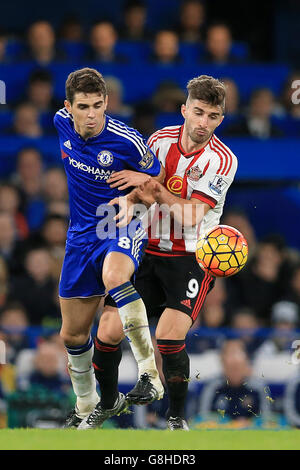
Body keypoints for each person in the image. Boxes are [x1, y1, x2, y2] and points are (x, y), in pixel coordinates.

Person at [101, 74, 238, 430]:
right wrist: (130, 200)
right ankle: (104, 405)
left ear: (220, 119)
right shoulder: (159, 141)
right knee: (108, 329)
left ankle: (176, 418)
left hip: (191, 257)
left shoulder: (222, 161)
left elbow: (192, 215)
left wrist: (156, 192)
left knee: (168, 336)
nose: (204, 123)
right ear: (184, 111)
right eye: (198, 112)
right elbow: (141, 188)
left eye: (212, 116)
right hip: (147, 251)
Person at [53, 67, 165, 429]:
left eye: (98, 106)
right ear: (68, 106)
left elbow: (157, 173)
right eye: (83, 106)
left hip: (118, 222)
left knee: (115, 276)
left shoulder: (127, 140)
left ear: (107, 103)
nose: (90, 114)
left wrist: (142, 180)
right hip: (80, 236)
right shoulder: (60, 123)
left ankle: (149, 373)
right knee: (72, 334)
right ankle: (88, 404)